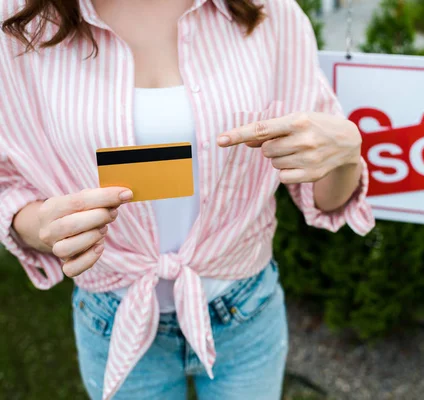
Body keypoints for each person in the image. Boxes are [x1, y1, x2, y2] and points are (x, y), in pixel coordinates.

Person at [0, 0, 375, 398]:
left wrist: (347, 154)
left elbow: (327, 197)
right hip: (114, 316)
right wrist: (39, 226)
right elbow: (7, 182)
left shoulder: (269, 10)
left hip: (245, 308)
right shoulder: (17, 21)